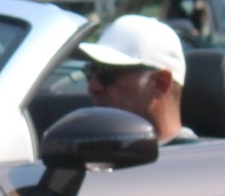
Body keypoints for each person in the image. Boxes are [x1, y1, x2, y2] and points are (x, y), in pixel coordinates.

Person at [76, 14, 195, 144]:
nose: (93, 87)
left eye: (107, 73)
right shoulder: (101, 156)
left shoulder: (194, 161)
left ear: (160, 83)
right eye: (91, 71)